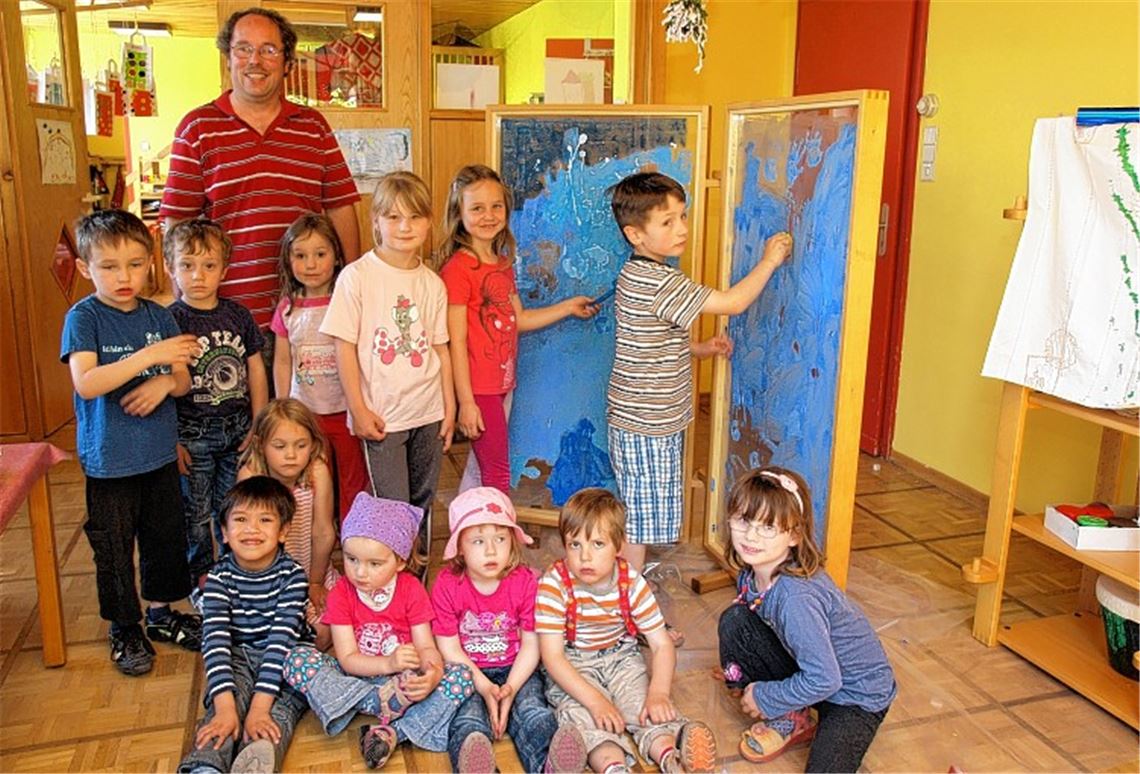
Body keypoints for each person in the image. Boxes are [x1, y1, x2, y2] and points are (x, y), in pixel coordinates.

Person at [606, 171, 792, 577]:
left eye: (683, 216)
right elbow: (733, 302)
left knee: (643, 512)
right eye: (667, 222)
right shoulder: (660, 282)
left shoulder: (635, 274)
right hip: (648, 424)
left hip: (644, 419)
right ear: (635, 235)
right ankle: (627, 604)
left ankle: (627, 597)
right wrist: (769, 261)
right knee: (640, 520)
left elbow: (649, 344)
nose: (682, 229)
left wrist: (701, 349)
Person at [60, 209, 203, 677]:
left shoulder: (158, 316)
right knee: (115, 547)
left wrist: (163, 381)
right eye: (109, 266)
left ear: (151, 263)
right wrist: (150, 357)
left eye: (136, 264)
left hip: (158, 454)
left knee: (165, 537)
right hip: (109, 461)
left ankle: (162, 614)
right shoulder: (84, 318)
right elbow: (87, 382)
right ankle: (124, 625)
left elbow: (181, 382)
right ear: (85, 268)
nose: (124, 277)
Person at [160, 7, 360, 329]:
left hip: (306, 312)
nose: (255, 60)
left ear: (287, 64)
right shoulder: (197, 128)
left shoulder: (314, 127)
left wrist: (351, 290)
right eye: (243, 49)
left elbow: (340, 209)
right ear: (228, 58)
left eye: (268, 50)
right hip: (224, 318)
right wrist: (185, 311)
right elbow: (177, 223)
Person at [718, 467, 895, 770]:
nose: (752, 535)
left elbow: (827, 679)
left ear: (795, 535)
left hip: (855, 696)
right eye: (744, 520)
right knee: (735, 621)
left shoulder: (796, 599)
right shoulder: (752, 571)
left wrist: (766, 694)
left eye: (768, 526)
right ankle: (793, 714)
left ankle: (787, 704)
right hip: (815, 672)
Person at [321, 171, 454, 570]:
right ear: (375, 221)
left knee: (423, 499)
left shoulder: (432, 283)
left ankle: (416, 576)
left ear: (429, 222)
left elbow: (440, 348)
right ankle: (392, 583)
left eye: (414, 217)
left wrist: (449, 408)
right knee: (392, 505)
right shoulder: (357, 277)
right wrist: (357, 408)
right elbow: (343, 346)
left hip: (428, 410)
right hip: (383, 416)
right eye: (393, 217)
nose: (404, 227)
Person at [282, 493, 474, 769]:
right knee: (297, 658)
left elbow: (426, 647)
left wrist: (432, 674)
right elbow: (347, 658)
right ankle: (380, 705)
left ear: (400, 561)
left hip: (404, 683)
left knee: (460, 675)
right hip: (356, 683)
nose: (360, 572)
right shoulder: (341, 594)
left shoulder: (411, 590)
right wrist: (387, 663)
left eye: (374, 564)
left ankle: (393, 733)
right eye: (351, 559)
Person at [439, 164, 597, 494]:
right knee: (497, 474)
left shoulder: (502, 263)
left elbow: (519, 319)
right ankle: (500, 540)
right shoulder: (458, 269)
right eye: (477, 208)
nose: (489, 215)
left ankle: (471, 538)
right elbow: (456, 340)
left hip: (502, 383)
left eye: (496, 206)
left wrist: (567, 307)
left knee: (480, 470)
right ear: (459, 212)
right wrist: (466, 401)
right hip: (479, 389)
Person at [536, 488, 718, 774]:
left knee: (643, 706)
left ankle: (672, 758)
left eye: (597, 544)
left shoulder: (631, 581)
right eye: (574, 545)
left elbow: (660, 644)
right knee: (588, 719)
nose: (585, 557)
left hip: (622, 658)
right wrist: (596, 701)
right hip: (574, 664)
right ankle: (614, 768)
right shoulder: (553, 585)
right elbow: (553, 658)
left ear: (619, 546)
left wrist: (658, 692)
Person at [431, 486, 588, 773]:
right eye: (478, 541)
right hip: (467, 672)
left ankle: (549, 767)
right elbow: (449, 649)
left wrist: (512, 687)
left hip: (518, 668)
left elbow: (531, 645)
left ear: (512, 542)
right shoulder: (446, 585)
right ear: (460, 549)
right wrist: (484, 686)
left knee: (534, 712)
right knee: (467, 722)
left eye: (500, 538)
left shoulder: (526, 582)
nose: (491, 550)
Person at [178, 476, 311, 774]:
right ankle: (206, 766)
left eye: (265, 519)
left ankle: (255, 763)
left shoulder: (293, 577)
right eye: (240, 519)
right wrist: (226, 708)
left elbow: (280, 644)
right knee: (224, 712)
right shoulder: (218, 580)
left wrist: (261, 708)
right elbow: (214, 643)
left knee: (281, 709)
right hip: (238, 655)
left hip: (287, 658)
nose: (252, 529)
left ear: (283, 531)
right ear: (224, 532)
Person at [165, 218, 267, 590]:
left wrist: (258, 422)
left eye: (209, 266)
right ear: (170, 268)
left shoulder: (237, 314)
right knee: (194, 512)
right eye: (187, 265)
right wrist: (170, 439)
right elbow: (163, 385)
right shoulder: (170, 320)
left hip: (238, 430)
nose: (198, 276)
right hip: (192, 435)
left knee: (230, 507)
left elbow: (255, 368)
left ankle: (230, 573)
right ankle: (200, 577)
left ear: (224, 269)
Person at [270, 213, 369, 522]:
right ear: (288, 260)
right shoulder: (288, 307)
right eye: (300, 256)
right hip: (306, 414)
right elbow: (282, 360)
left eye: (320, 254)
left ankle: (351, 532)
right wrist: (282, 405)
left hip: (345, 409)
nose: (310, 265)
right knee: (312, 478)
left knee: (353, 477)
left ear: (337, 256)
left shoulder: (348, 300)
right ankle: (311, 532)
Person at [237, 399, 337, 648]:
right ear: (260, 445)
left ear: (313, 443)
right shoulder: (251, 477)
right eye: (279, 446)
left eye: (301, 445)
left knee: (325, 633)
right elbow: (250, 545)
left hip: (311, 568)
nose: (291, 455)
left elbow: (324, 533)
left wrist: (314, 582)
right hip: (267, 580)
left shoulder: (317, 472)